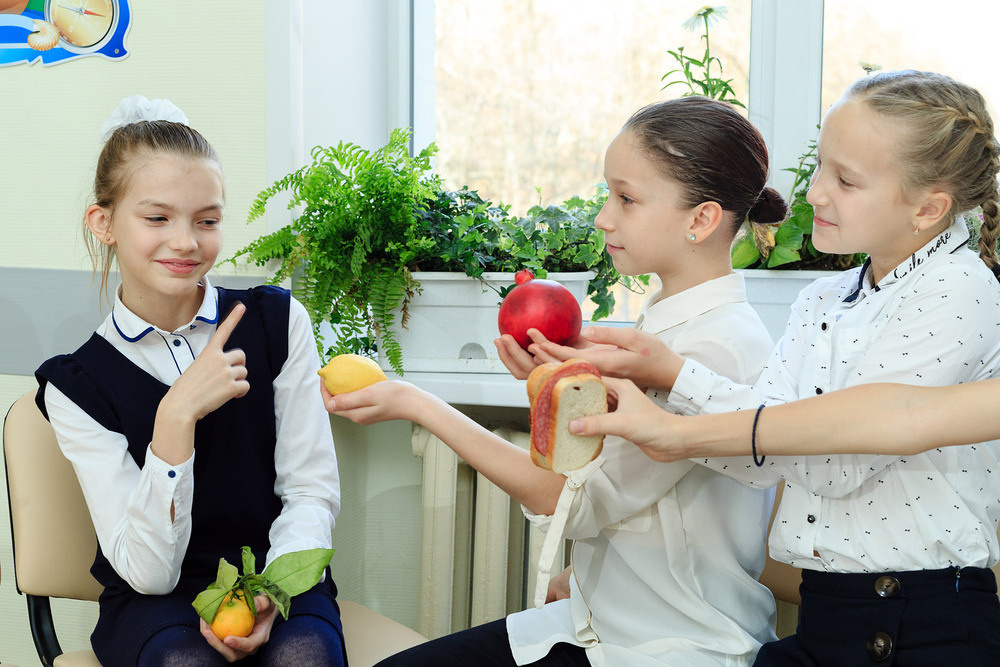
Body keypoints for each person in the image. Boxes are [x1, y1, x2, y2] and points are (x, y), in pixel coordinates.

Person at [527, 70, 1000, 664]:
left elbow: (835, 465)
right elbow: (760, 461)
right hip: (831, 616)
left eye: (846, 180)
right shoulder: (822, 301)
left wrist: (679, 416)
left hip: (925, 625)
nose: (813, 194)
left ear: (929, 208)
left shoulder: (960, 290)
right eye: (821, 166)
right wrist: (670, 371)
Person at [325, 96, 788, 666]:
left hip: (669, 646)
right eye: (608, 194)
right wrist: (552, 387)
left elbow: (570, 499)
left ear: (701, 219)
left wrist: (417, 403)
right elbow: (628, 489)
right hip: (596, 619)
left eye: (626, 199)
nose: (603, 217)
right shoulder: (668, 318)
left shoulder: (716, 346)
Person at [33, 96, 346, 666]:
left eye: (207, 220)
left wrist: (275, 590)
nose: (186, 242)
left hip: (276, 572)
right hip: (155, 597)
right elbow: (149, 573)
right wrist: (175, 419)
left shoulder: (276, 323)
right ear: (103, 223)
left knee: (303, 657)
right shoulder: (75, 386)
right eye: (157, 218)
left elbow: (310, 491)